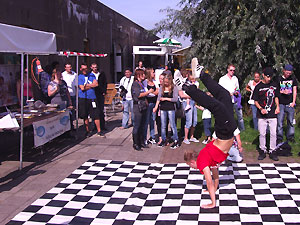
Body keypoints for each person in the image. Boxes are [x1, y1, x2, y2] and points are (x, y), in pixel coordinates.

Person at [183, 58, 237, 209]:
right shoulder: (207, 160)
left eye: (190, 166)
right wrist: (213, 192)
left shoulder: (203, 161)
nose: (193, 168)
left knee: (217, 105)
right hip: (226, 132)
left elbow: (210, 179)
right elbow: (214, 177)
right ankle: (197, 77)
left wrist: (212, 196)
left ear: (193, 162)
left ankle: (189, 86)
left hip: (225, 132)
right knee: (225, 96)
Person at [252, 67, 280, 161]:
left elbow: (276, 97)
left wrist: (278, 107)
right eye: (267, 76)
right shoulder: (258, 86)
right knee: (262, 133)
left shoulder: (274, 85)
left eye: (270, 77)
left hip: (272, 113)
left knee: (273, 133)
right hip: (262, 114)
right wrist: (260, 108)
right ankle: (262, 150)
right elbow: (255, 101)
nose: (269, 78)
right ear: (263, 75)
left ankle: (272, 150)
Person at [78, 63, 104, 137]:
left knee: (96, 114)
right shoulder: (80, 77)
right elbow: (82, 88)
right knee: (85, 115)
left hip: (92, 97)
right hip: (83, 98)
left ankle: (99, 130)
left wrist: (87, 85)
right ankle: (88, 130)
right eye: (83, 69)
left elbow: (96, 84)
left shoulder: (91, 75)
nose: (85, 70)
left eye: (86, 69)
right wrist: (90, 85)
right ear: (80, 69)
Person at [153, 74, 179, 149]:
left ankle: (176, 140)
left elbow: (175, 99)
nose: (166, 83)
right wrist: (156, 107)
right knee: (163, 125)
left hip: (171, 108)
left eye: (167, 82)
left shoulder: (174, 88)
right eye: (165, 82)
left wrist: (166, 99)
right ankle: (163, 140)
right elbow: (158, 98)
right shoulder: (161, 88)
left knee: (172, 125)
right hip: (163, 108)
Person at [131, 69, 154, 151]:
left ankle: (141, 142)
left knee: (142, 125)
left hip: (143, 106)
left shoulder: (141, 84)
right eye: (142, 74)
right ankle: (136, 143)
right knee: (137, 125)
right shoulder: (135, 84)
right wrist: (148, 92)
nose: (144, 76)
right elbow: (138, 95)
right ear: (138, 75)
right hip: (138, 107)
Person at [219, 64, 245, 131]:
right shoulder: (222, 79)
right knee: (228, 115)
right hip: (226, 100)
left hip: (235, 99)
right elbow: (220, 90)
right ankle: (228, 129)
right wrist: (227, 94)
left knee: (240, 115)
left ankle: (242, 129)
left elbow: (237, 88)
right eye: (231, 70)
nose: (232, 72)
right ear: (227, 70)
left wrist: (236, 92)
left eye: (233, 70)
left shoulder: (235, 78)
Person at [276, 64, 298, 144]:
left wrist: (293, 102)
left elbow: (295, 90)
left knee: (291, 121)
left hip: (289, 103)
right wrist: (282, 92)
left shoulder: (293, 79)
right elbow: (276, 91)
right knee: (280, 121)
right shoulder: (278, 79)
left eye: (290, 73)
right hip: (281, 103)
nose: (288, 74)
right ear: (284, 70)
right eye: (287, 73)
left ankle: (291, 136)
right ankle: (279, 137)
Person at [179, 71, 199, 145]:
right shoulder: (184, 84)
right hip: (187, 102)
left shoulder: (196, 84)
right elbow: (182, 95)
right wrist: (192, 95)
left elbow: (197, 93)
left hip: (193, 102)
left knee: (195, 121)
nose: (194, 80)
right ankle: (185, 138)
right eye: (192, 78)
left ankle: (192, 136)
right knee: (189, 121)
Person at [143, 67, 159, 144]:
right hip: (148, 103)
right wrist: (152, 92)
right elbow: (146, 93)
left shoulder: (155, 82)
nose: (154, 74)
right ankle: (144, 137)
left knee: (152, 120)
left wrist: (151, 92)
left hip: (154, 103)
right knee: (146, 121)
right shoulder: (145, 82)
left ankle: (152, 137)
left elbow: (157, 92)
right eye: (153, 72)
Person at [91, 63, 107, 131]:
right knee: (94, 110)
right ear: (91, 67)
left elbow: (105, 83)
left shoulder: (101, 73)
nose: (95, 68)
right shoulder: (90, 75)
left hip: (100, 94)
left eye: (96, 67)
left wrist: (104, 91)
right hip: (93, 94)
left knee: (101, 110)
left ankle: (102, 126)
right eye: (94, 67)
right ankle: (95, 126)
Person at [62, 63, 77, 129]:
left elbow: (76, 85)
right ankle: (68, 126)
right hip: (66, 95)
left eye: (70, 67)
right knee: (67, 111)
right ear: (65, 68)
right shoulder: (63, 74)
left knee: (73, 110)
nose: (69, 68)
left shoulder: (74, 74)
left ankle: (72, 125)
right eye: (68, 67)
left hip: (73, 94)